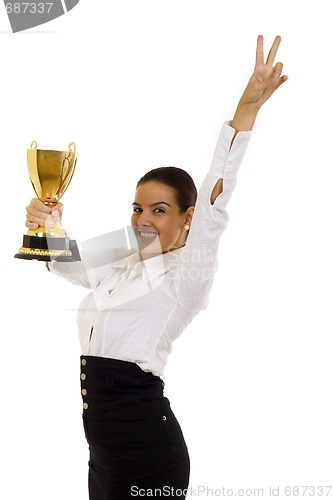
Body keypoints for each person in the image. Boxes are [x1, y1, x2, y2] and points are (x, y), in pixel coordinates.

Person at [25, 35, 288, 500]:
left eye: (160, 210)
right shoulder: (126, 260)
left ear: (187, 217)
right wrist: (47, 223)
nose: (144, 220)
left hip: (147, 448)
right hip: (103, 449)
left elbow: (215, 200)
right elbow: (71, 265)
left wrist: (245, 112)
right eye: (138, 208)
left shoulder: (189, 273)